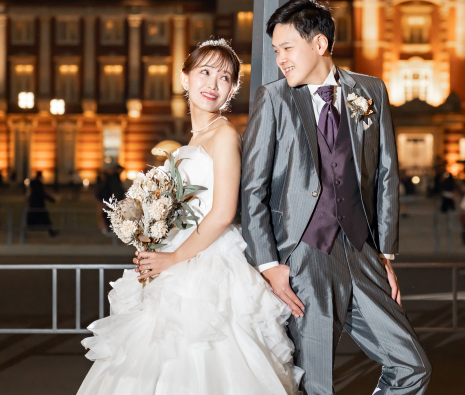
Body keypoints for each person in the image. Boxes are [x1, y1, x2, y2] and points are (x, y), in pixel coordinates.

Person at [78, 39, 302, 395]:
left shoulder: (224, 135)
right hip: (180, 255)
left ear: (233, 90)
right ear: (185, 79)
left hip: (206, 264)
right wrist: (152, 235)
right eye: (205, 72)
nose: (213, 84)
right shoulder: (192, 142)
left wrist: (171, 258)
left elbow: (224, 212)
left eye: (225, 77)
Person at [242, 0, 431, 395]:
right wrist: (268, 264)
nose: (281, 59)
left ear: (320, 45)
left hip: (362, 253)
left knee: (411, 365)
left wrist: (385, 255)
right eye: (276, 51)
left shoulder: (371, 91)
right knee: (317, 385)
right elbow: (253, 188)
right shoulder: (273, 99)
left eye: (287, 48)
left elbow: (385, 175)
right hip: (305, 256)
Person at [96, 163, 125, 234]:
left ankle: (107, 229)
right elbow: (116, 190)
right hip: (110, 199)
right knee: (109, 214)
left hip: (106, 198)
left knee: (106, 213)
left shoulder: (109, 177)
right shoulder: (115, 177)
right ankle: (109, 229)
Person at [27, 171, 58, 237]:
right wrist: (52, 200)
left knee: (33, 218)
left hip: (33, 203)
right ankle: (50, 231)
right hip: (38, 204)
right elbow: (42, 194)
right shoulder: (38, 184)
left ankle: (27, 231)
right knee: (45, 218)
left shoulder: (33, 184)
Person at [435, 171, 456, 251]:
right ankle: (449, 224)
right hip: (450, 198)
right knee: (450, 211)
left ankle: (446, 223)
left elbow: (442, 188)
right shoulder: (451, 181)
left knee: (445, 211)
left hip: (446, 197)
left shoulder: (446, 181)